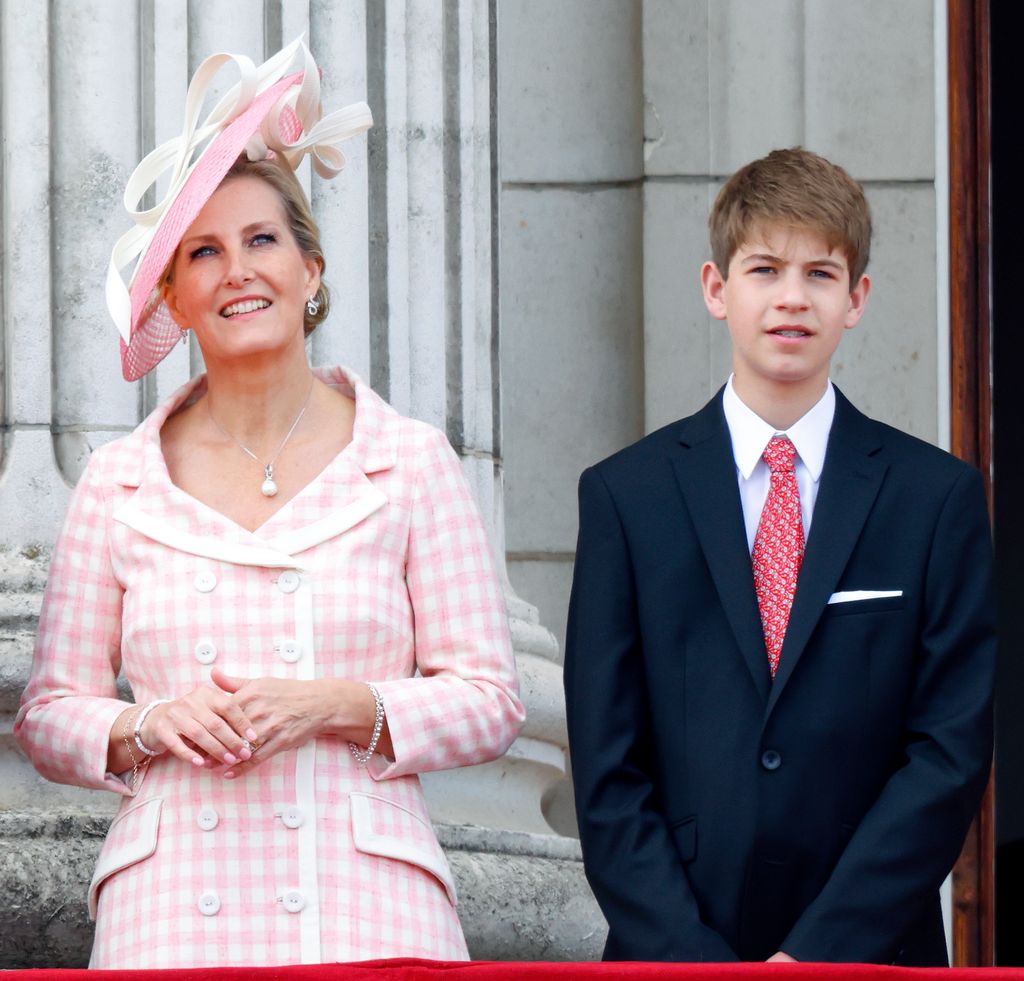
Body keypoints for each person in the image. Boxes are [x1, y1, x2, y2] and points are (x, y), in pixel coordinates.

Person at [15, 38, 524, 970]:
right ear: (176, 295)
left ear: (310, 269)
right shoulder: (118, 480)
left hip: (368, 908)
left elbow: (492, 699)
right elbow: (50, 712)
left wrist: (336, 703)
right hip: (169, 911)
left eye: (261, 240)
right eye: (203, 253)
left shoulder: (408, 460)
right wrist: (143, 724)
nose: (237, 270)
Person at [564, 147, 996, 965]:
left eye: (820, 273)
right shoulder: (627, 497)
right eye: (764, 268)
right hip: (676, 950)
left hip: (870, 948)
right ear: (716, 288)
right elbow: (607, 765)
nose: (792, 297)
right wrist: (698, 961)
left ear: (856, 298)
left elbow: (948, 754)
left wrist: (820, 956)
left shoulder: (934, 500)